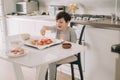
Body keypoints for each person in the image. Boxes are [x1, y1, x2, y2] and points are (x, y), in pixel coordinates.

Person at [40, 11, 77, 80]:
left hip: (68, 53)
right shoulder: (57, 28)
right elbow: (46, 27)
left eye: (61, 22)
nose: (58, 24)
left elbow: (74, 46)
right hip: (58, 53)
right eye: (57, 21)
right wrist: (43, 29)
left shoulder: (71, 31)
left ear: (67, 22)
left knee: (51, 62)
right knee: (44, 57)